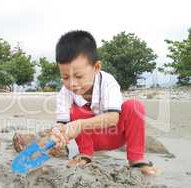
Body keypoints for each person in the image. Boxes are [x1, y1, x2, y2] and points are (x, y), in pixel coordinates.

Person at [51, 30, 158, 175]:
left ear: (96, 68)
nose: (72, 83)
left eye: (78, 76)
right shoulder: (65, 92)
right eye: (65, 77)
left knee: (134, 106)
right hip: (91, 140)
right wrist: (58, 136)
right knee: (73, 110)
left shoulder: (108, 83)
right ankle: (85, 154)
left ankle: (136, 158)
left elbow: (113, 118)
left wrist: (79, 124)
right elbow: (62, 124)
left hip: (115, 135)